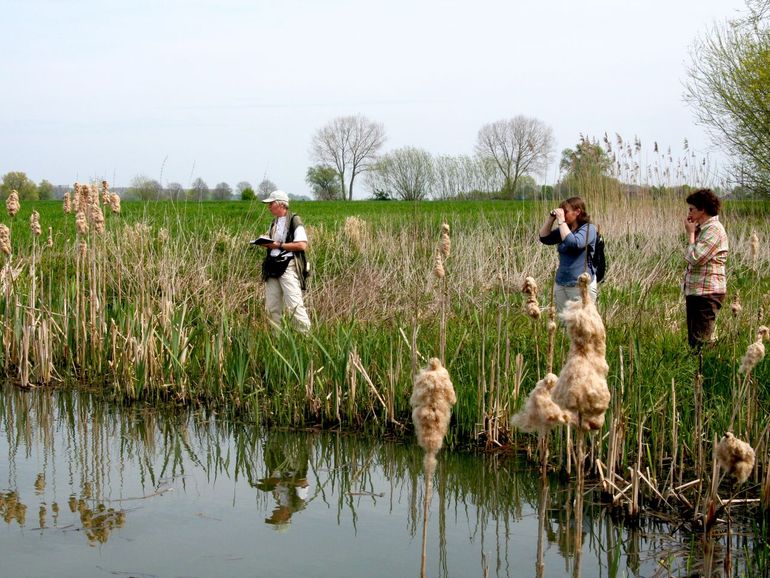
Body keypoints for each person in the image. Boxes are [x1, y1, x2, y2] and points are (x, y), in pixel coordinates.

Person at [682, 188, 728, 349]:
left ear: (702, 209)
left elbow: (695, 258)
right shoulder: (704, 229)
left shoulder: (714, 229)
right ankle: (699, 370)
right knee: (696, 341)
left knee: (702, 342)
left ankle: (703, 372)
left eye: (692, 209)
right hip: (699, 291)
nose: (689, 213)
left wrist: (690, 235)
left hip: (707, 292)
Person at [260, 190, 311, 333]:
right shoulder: (274, 222)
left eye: (271, 204)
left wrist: (279, 245)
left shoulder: (294, 220)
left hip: (288, 266)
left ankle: (305, 338)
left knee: (294, 305)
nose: (268, 207)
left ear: (280, 204)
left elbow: (302, 245)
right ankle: (276, 341)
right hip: (272, 266)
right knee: (272, 307)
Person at [538, 196, 598, 314]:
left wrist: (561, 221)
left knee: (582, 323)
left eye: (565, 212)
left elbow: (574, 243)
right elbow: (544, 238)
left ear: (577, 212)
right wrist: (551, 218)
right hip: (561, 283)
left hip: (580, 286)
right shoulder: (565, 229)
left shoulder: (589, 229)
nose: (563, 215)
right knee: (565, 323)